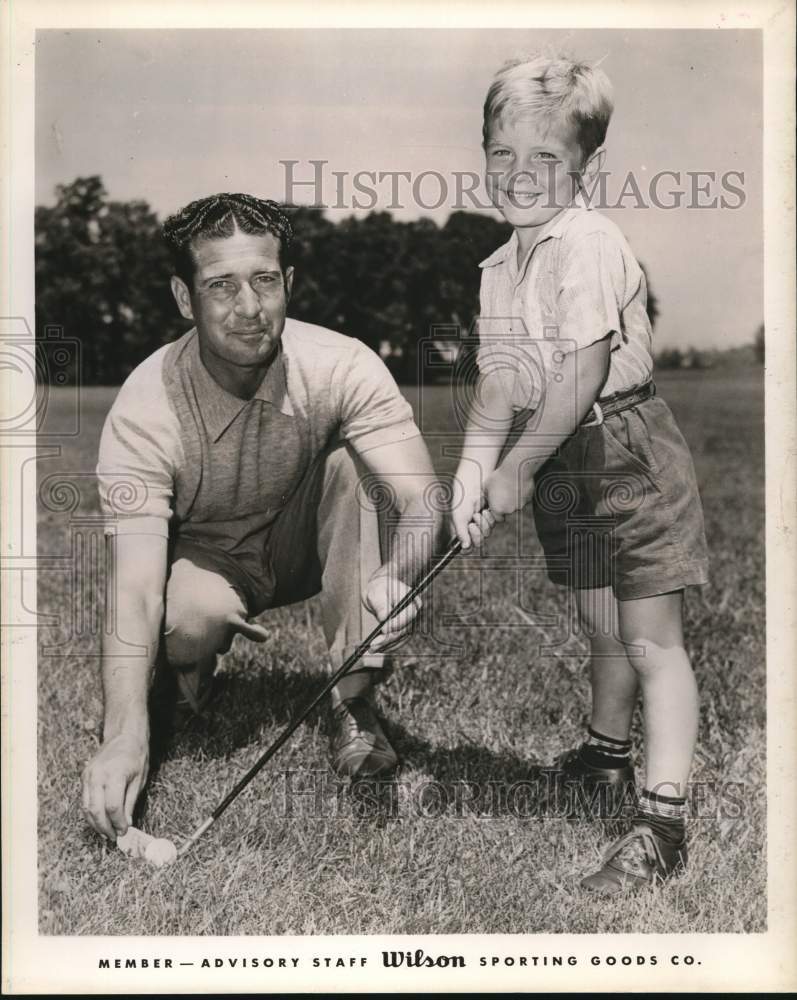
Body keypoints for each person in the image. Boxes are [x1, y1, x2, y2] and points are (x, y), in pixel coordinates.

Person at [81, 193, 442, 843]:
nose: (249, 309)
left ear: (289, 283)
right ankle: (188, 677)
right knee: (189, 623)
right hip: (208, 558)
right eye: (221, 286)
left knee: (354, 471)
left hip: (303, 539)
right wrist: (123, 738)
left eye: (265, 281)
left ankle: (352, 701)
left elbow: (422, 500)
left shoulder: (342, 362)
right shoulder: (144, 406)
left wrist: (400, 575)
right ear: (183, 297)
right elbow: (134, 585)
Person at [451, 55, 709, 893]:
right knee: (600, 624)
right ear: (482, 150)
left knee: (649, 640)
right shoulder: (498, 266)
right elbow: (501, 380)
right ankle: (603, 760)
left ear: (584, 166)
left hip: (624, 448)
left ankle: (661, 820)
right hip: (565, 458)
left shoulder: (589, 242)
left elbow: (582, 371)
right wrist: (470, 471)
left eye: (545, 160)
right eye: (501, 155)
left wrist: (516, 467)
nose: (519, 177)